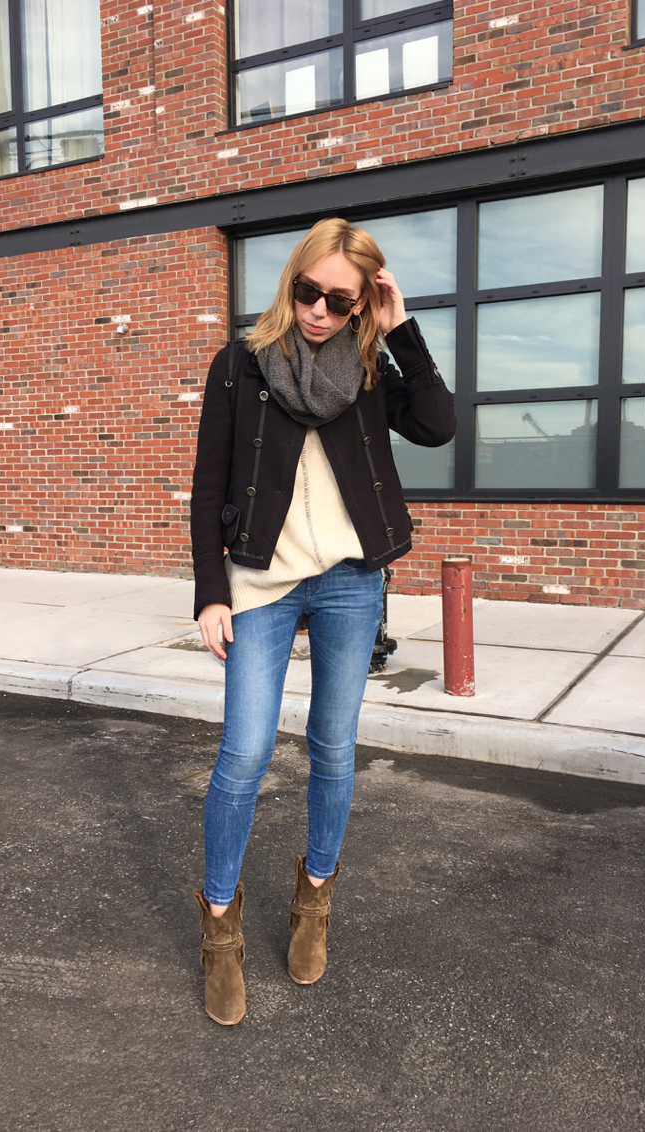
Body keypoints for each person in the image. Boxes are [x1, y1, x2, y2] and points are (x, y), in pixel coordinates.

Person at [187, 218, 454, 1025]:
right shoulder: (240, 365)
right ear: (291, 281)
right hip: (261, 583)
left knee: (334, 748)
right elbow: (207, 486)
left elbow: (439, 424)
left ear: (360, 302)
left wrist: (400, 327)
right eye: (309, 292)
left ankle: (313, 903)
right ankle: (221, 929)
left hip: (348, 582)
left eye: (340, 301)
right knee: (245, 754)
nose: (318, 312)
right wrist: (209, 592)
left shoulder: (372, 367)